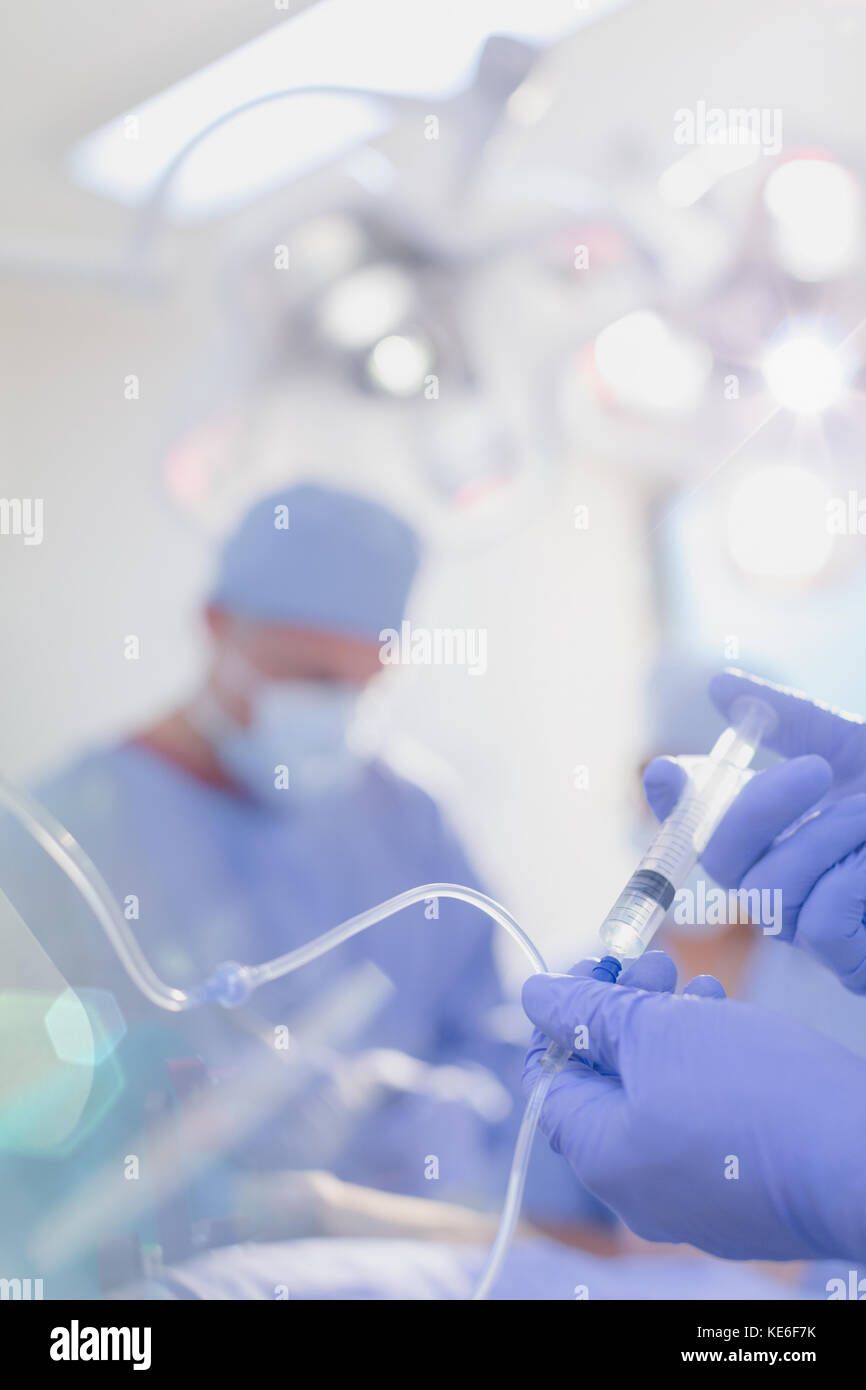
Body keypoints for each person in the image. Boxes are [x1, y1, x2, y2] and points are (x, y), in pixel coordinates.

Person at [0, 482, 586, 1259]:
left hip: (383, 1262)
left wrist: (460, 1111)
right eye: (308, 677)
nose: (335, 708)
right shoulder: (59, 835)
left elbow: (497, 1037)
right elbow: (27, 1126)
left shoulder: (410, 823)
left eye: (364, 683)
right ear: (217, 628)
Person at [523, 671, 866, 1261]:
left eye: (720, 803)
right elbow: (539, 1223)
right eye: (665, 792)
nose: (685, 824)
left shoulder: (841, 974)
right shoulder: (576, 986)